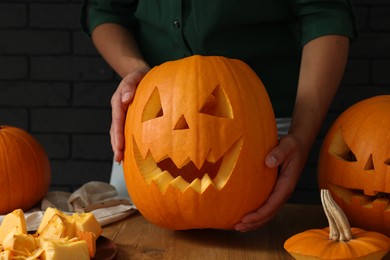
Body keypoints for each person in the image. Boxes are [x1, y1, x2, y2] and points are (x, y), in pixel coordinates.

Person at [81, 0, 357, 232]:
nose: (185, 128)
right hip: (152, 122)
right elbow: (105, 11)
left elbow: (325, 13)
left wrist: (302, 136)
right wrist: (140, 74)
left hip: (260, 125)